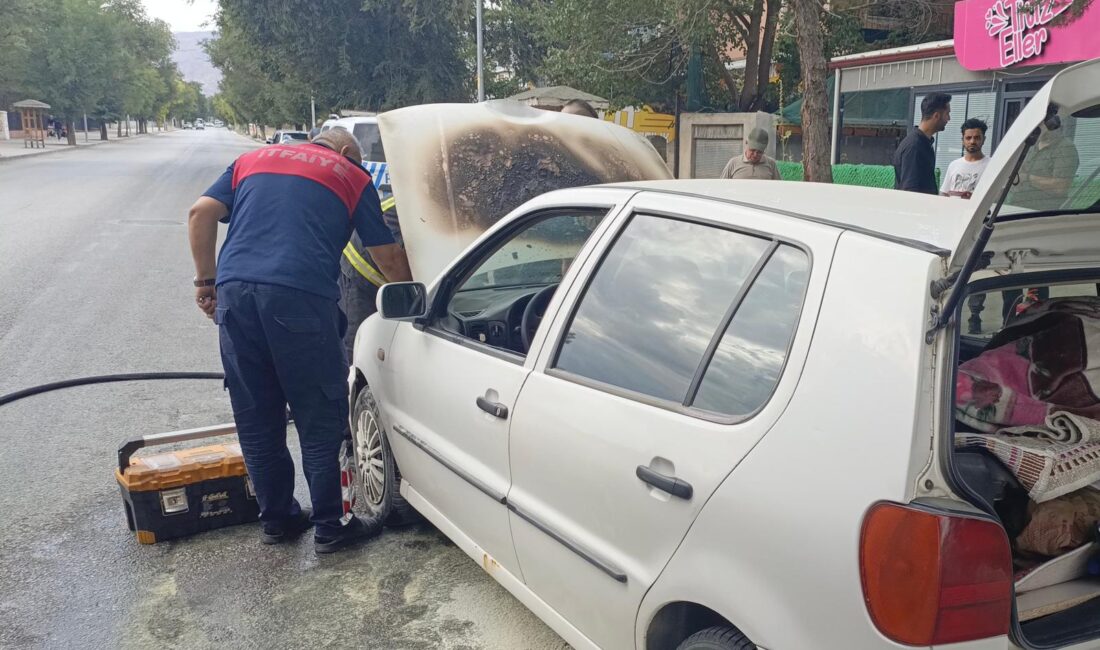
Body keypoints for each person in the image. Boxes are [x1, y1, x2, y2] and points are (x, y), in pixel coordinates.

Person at [187, 128, 413, 553]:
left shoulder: (253, 159)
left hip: (235, 297)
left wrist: (206, 282)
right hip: (301, 299)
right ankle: (331, 524)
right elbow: (386, 256)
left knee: (257, 413)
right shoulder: (350, 173)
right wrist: (414, 300)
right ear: (347, 151)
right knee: (318, 412)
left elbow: (200, 212)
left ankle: (278, 519)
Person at [339, 195, 403, 360]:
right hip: (362, 274)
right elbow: (391, 261)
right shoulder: (399, 210)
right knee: (358, 351)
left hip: (389, 275)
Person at [894, 93, 951, 194]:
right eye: (947, 114)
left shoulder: (923, 143)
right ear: (936, 116)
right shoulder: (914, 146)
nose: (949, 119)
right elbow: (910, 190)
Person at [940, 118, 990, 199]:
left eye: (977, 138)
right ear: (962, 140)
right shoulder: (954, 165)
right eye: (968, 138)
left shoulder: (991, 165)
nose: (972, 141)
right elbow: (944, 194)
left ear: (983, 139)